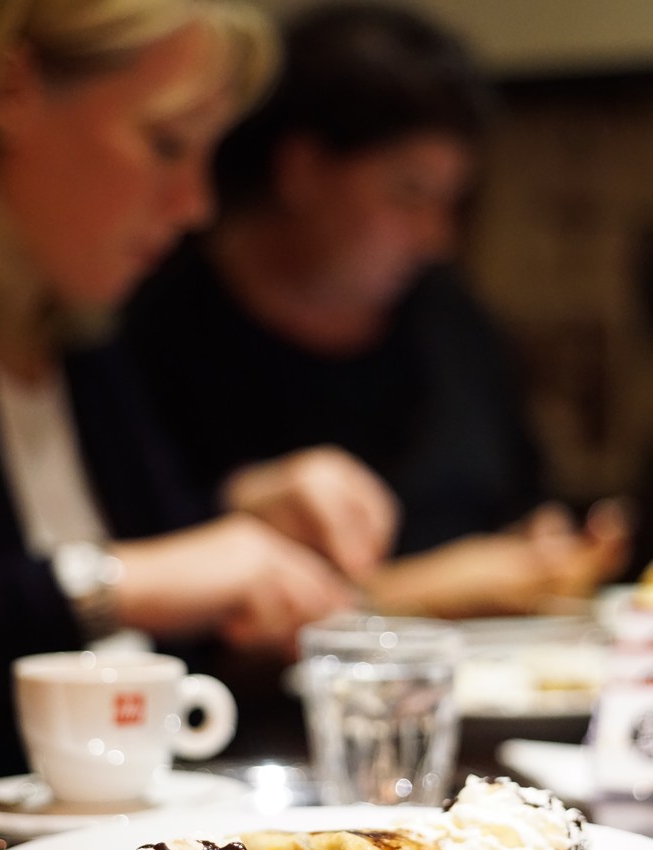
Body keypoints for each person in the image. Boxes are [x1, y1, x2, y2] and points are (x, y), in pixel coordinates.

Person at [0, 0, 402, 784]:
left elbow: (158, 568)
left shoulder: (81, 341)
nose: (195, 204)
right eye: (166, 144)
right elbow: (125, 578)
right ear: (12, 92)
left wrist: (255, 510)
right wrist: (116, 584)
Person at [124, 0, 631, 623]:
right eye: (409, 193)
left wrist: (544, 553)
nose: (435, 237)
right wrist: (417, 593)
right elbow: (170, 608)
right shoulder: (147, 336)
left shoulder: (452, 322)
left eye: (451, 200)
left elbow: (521, 505)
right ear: (301, 169)